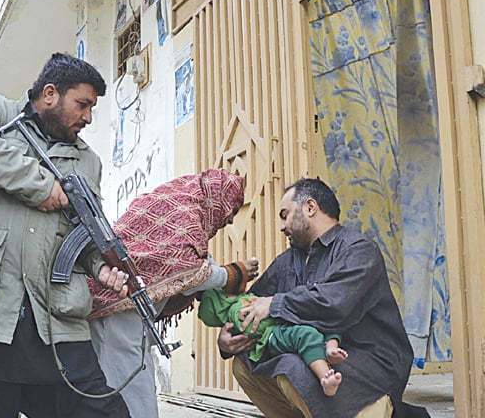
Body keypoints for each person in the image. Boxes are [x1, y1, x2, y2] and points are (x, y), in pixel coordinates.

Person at [0, 53, 131, 417]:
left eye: (92, 108)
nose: (88, 117)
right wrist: (41, 186)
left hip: (53, 322)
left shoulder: (88, 161)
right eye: (82, 104)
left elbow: (81, 232)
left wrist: (100, 267)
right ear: (50, 93)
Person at [218, 178, 417, 418]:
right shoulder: (287, 261)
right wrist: (228, 337)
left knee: (292, 367)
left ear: (310, 207)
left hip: (370, 358)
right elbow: (251, 303)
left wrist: (274, 304)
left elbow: (336, 304)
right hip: (316, 355)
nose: (282, 226)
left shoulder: (359, 250)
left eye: (285, 214)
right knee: (245, 364)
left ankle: (378, 406)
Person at [87, 168, 258, 418]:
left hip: (107, 302)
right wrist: (232, 275)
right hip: (122, 307)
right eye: (229, 212)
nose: (228, 221)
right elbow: (190, 273)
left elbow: (186, 265)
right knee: (133, 386)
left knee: (110, 383)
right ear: (216, 199)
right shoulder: (185, 214)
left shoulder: (174, 202)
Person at [199, 288, 348, 396]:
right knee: (306, 335)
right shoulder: (237, 311)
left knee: (328, 324)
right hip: (274, 332)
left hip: (297, 318)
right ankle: (325, 378)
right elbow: (252, 326)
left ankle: (330, 349)